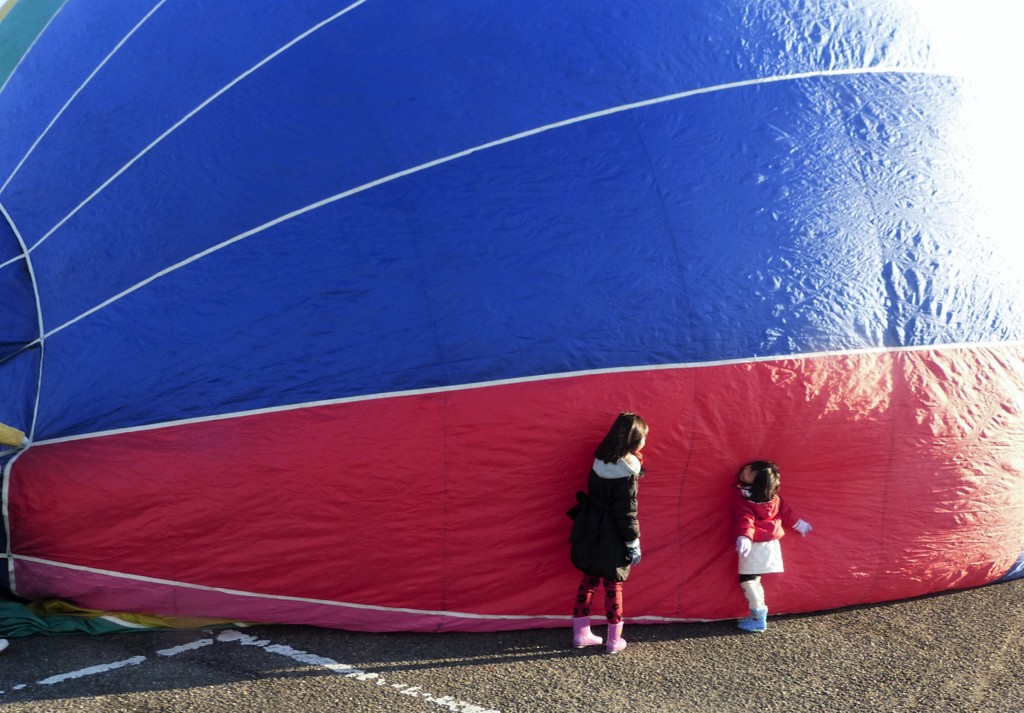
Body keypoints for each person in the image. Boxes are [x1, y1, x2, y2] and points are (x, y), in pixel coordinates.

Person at [567, 412, 648, 654]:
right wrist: (633, 541)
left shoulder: (600, 459)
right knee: (614, 583)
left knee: (589, 579)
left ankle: (581, 634)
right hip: (614, 531)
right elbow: (627, 511)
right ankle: (614, 639)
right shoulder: (630, 467)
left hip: (591, 524)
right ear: (635, 441)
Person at [733, 460, 811, 632]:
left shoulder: (745, 500)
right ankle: (760, 612)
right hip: (771, 545)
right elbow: (788, 513)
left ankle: (757, 616)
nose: (744, 470)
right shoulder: (774, 499)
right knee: (755, 579)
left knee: (747, 580)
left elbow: (746, 520)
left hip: (755, 545)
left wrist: (744, 537)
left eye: (749, 471)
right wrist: (799, 524)